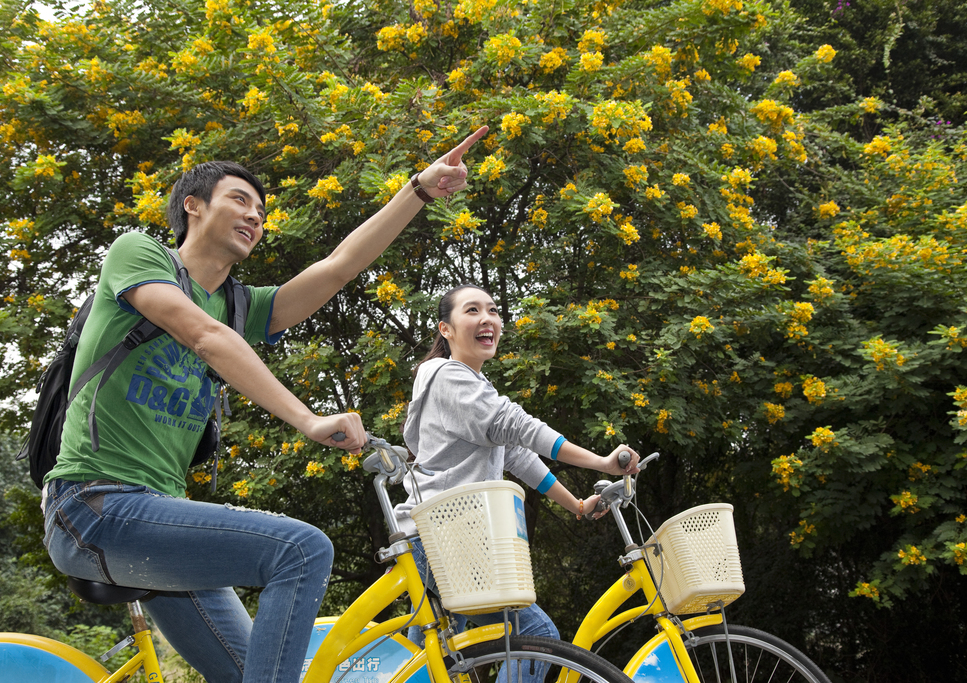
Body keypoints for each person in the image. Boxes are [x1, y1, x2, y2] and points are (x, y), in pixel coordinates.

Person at [41, 125, 488, 683]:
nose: (255, 215)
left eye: (261, 209)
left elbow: (339, 267)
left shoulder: (239, 306)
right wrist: (306, 417)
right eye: (240, 200)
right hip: (93, 505)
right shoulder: (139, 255)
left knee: (256, 673)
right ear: (193, 207)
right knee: (302, 551)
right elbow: (203, 335)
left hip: (156, 520)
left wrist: (417, 190)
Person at [394, 284, 640, 681]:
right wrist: (601, 462)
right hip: (445, 542)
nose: (487, 318)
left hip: (436, 539)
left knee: (434, 662)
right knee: (535, 633)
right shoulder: (448, 378)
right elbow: (518, 427)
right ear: (446, 329)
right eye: (471, 310)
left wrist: (576, 504)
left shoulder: (467, 388)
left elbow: (517, 455)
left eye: (492, 310)